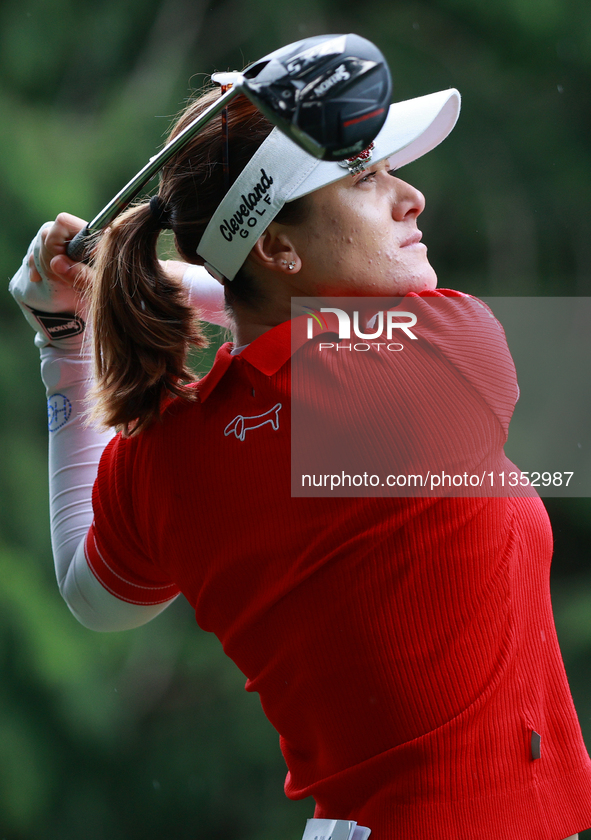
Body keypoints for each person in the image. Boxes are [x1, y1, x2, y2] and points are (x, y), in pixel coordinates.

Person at [10, 73, 591, 840]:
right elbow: (288, 332)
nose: (409, 196)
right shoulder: (443, 356)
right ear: (278, 244)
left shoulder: (166, 452)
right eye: (364, 176)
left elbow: (93, 595)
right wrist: (167, 287)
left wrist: (67, 345)